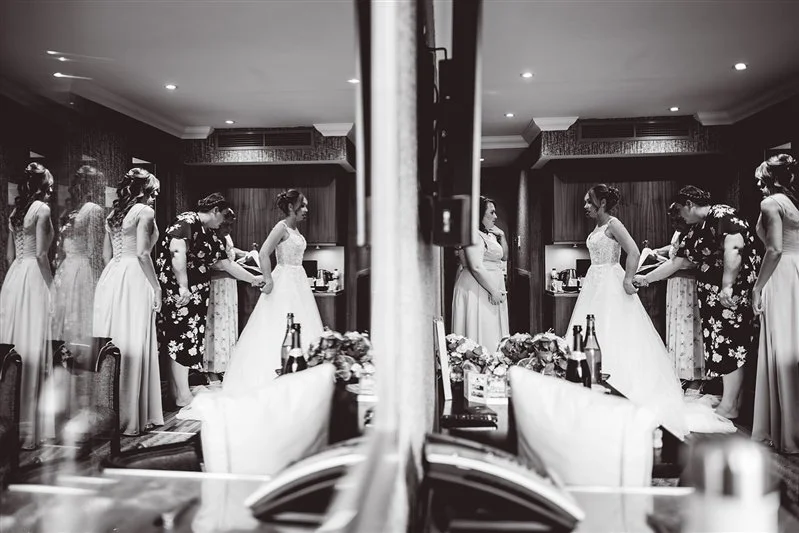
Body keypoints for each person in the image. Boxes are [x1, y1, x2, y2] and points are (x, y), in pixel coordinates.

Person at [566, 184, 702, 439]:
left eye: (588, 202)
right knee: (592, 331)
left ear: (602, 203)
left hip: (610, 282)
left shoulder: (613, 224)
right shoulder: (597, 226)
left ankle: (619, 389)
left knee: (614, 332)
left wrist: (629, 279)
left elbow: (634, 251)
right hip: (594, 282)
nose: (585, 206)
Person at [636, 185, 760, 420]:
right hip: (713, 297)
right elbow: (678, 261)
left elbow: (734, 249)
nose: (679, 216)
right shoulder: (697, 228)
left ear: (689, 204)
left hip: (730, 293)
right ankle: (731, 400)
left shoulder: (723, 215)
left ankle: (732, 404)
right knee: (721, 345)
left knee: (731, 346)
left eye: (680, 210)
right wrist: (646, 278)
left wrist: (727, 286)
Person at [156, 193, 264, 407]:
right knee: (181, 341)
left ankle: (178, 392)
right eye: (223, 215)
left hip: (197, 294)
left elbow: (227, 265)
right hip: (181, 293)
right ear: (215, 210)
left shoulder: (210, 234)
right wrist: (183, 287)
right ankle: (182, 395)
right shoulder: (186, 222)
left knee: (187, 341)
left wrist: (254, 279)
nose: (224, 221)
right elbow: (177, 253)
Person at [223, 189, 324, 394]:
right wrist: (268, 279)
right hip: (284, 279)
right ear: (290, 207)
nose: (306, 209)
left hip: (299, 281)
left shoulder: (296, 231)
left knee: (303, 323)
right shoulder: (282, 227)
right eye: (302, 205)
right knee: (277, 323)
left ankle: (301, 376)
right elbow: (264, 252)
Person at [93, 168, 164, 436]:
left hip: (112, 275)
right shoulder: (145, 212)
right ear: (146, 190)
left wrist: (114, 276)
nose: (156, 195)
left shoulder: (114, 215)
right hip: (135, 276)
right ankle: (132, 416)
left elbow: (105, 254)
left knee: (115, 338)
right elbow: (144, 253)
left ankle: (110, 411)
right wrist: (156, 287)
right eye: (154, 190)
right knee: (134, 339)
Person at [0, 162, 55, 449]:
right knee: (33, 343)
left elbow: (10, 256)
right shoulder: (42, 210)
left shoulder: (15, 212)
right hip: (33, 276)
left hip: (14, 278)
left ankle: (10, 420)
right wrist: (52, 288)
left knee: (12, 343)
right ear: (44, 184)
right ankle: (30, 428)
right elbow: (43, 255)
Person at [751, 154, 799, 453]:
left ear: (770, 178)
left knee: (782, 346)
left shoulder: (771, 203)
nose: (757, 183)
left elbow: (774, 249)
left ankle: (789, 433)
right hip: (796, 272)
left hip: (781, 276)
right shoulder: (792, 204)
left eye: (760, 178)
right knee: (793, 346)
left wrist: (757, 287)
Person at [52, 165, 105, 360]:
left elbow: (91, 246)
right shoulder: (89, 209)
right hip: (77, 266)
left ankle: (71, 353)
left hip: (71, 266)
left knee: (73, 310)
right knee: (74, 310)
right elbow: (94, 248)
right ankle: (70, 353)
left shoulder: (77, 209)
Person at [650, 207, 705, 383]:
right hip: (674, 284)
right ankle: (680, 372)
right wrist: (661, 250)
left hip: (687, 285)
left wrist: (648, 277)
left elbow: (684, 259)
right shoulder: (680, 230)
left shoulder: (693, 229)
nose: (674, 222)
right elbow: (676, 247)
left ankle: (695, 375)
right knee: (676, 326)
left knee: (689, 328)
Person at [450, 196, 509, 352]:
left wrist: (501, 235)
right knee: (483, 330)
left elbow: (504, 256)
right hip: (479, 288)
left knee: (490, 329)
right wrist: (494, 291)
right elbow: (475, 266)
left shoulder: (487, 235)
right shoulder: (473, 235)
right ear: (479, 214)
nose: (496, 217)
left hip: (486, 286)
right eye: (492, 212)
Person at [204, 210, 244, 381]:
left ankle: (225, 365)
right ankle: (212, 369)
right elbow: (215, 265)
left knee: (227, 324)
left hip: (229, 286)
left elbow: (229, 250)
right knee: (216, 326)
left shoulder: (225, 237)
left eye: (231, 225)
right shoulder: (212, 237)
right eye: (226, 224)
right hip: (217, 287)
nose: (229, 228)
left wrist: (243, 254)